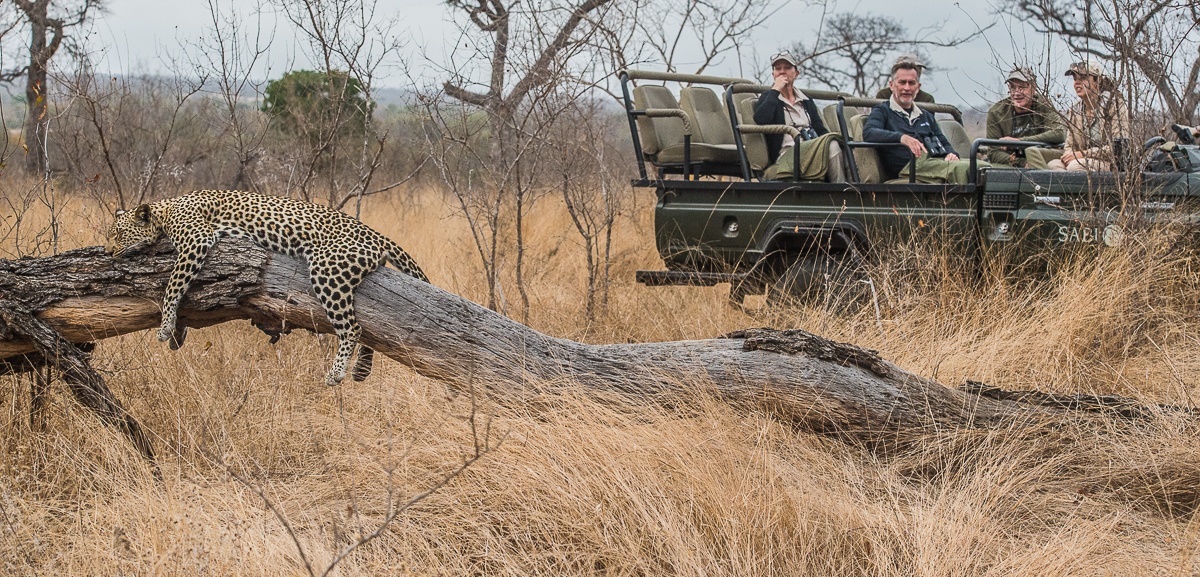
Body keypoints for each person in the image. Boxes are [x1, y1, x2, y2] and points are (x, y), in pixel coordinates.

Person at [862, 58, 981, 183]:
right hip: (909, 167)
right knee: (965, 169)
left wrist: (951, 154)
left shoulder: (925, 115)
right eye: (902, 82)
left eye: (911, 83)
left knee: (981, 166)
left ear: (918, 87)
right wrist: (901, 138)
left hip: (933, 162)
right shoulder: (883, 111)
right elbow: (869, 132)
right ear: (892, 85)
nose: (907, 88)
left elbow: (943, 142)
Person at [753, 51, 846, 182]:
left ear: (796, 73)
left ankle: (854, 192)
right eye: (778, 69)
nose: (782, 72)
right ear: (773, 75)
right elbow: (761, 119)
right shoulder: (768, 97)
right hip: (788, 154)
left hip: (812, 149)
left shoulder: (806, 100)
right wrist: (776, 90)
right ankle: (843, 195)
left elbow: (820, 130)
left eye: (787, 68)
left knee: (840, 145)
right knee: (832, 147)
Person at [1025, 60, 1131, 171]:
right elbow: (1069, 145)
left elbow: (1118, 149)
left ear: (1097, 80)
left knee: (1075, 166)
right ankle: (1059, 189)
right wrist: (1069, 155)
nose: (1077, 83)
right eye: (1075, 79)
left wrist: (1082, 154)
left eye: (1083, 78)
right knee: (1053, 165)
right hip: (1083, 160)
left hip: (1111, 164)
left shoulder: (1113, 105)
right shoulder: (1076, 110)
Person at [985, 67, 1064, 167]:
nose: (1017, 93)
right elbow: (993, 152)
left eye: (1022, 87)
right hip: (1011, 161)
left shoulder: (1043, 105)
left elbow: (1059, 133)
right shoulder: (997, 111)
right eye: (1013, 88)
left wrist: (1019, 142)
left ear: (1033, 88)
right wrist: (1022, 163)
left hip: (1038, 156)